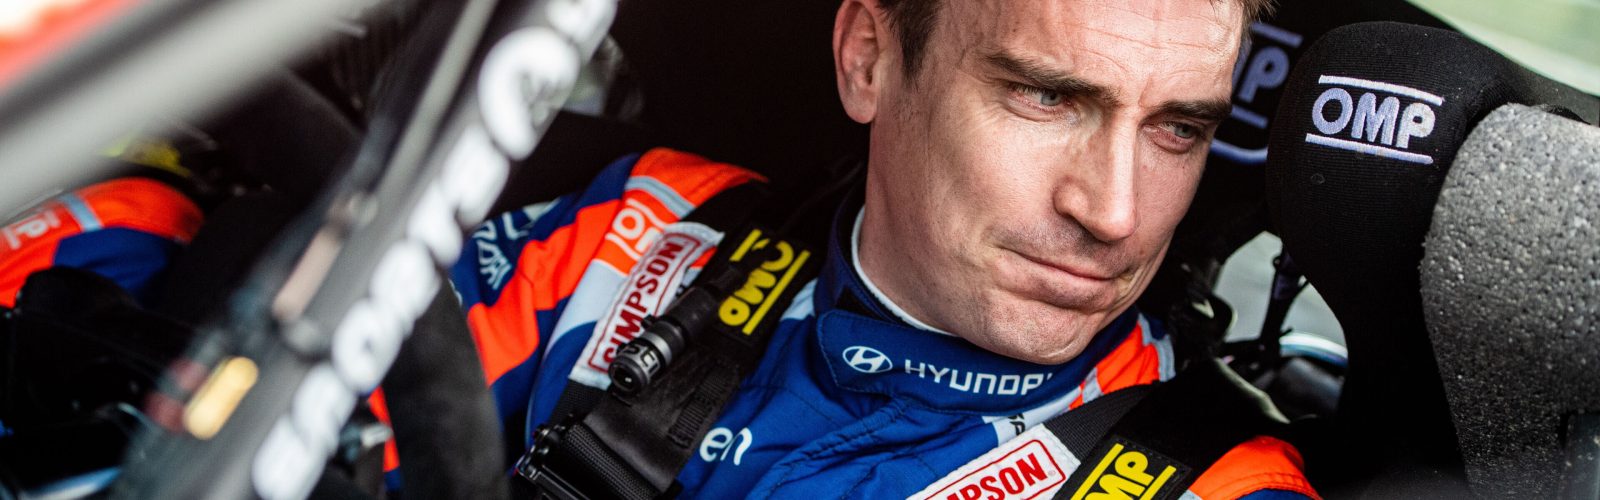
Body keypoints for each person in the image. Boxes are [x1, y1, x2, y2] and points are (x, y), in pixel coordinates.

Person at [414, 0, 1321, 497]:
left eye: (1178, 129)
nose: (1116, 213)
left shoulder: (1221, 488)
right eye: (1047, 97)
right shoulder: (646, 230)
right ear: (868, 61)